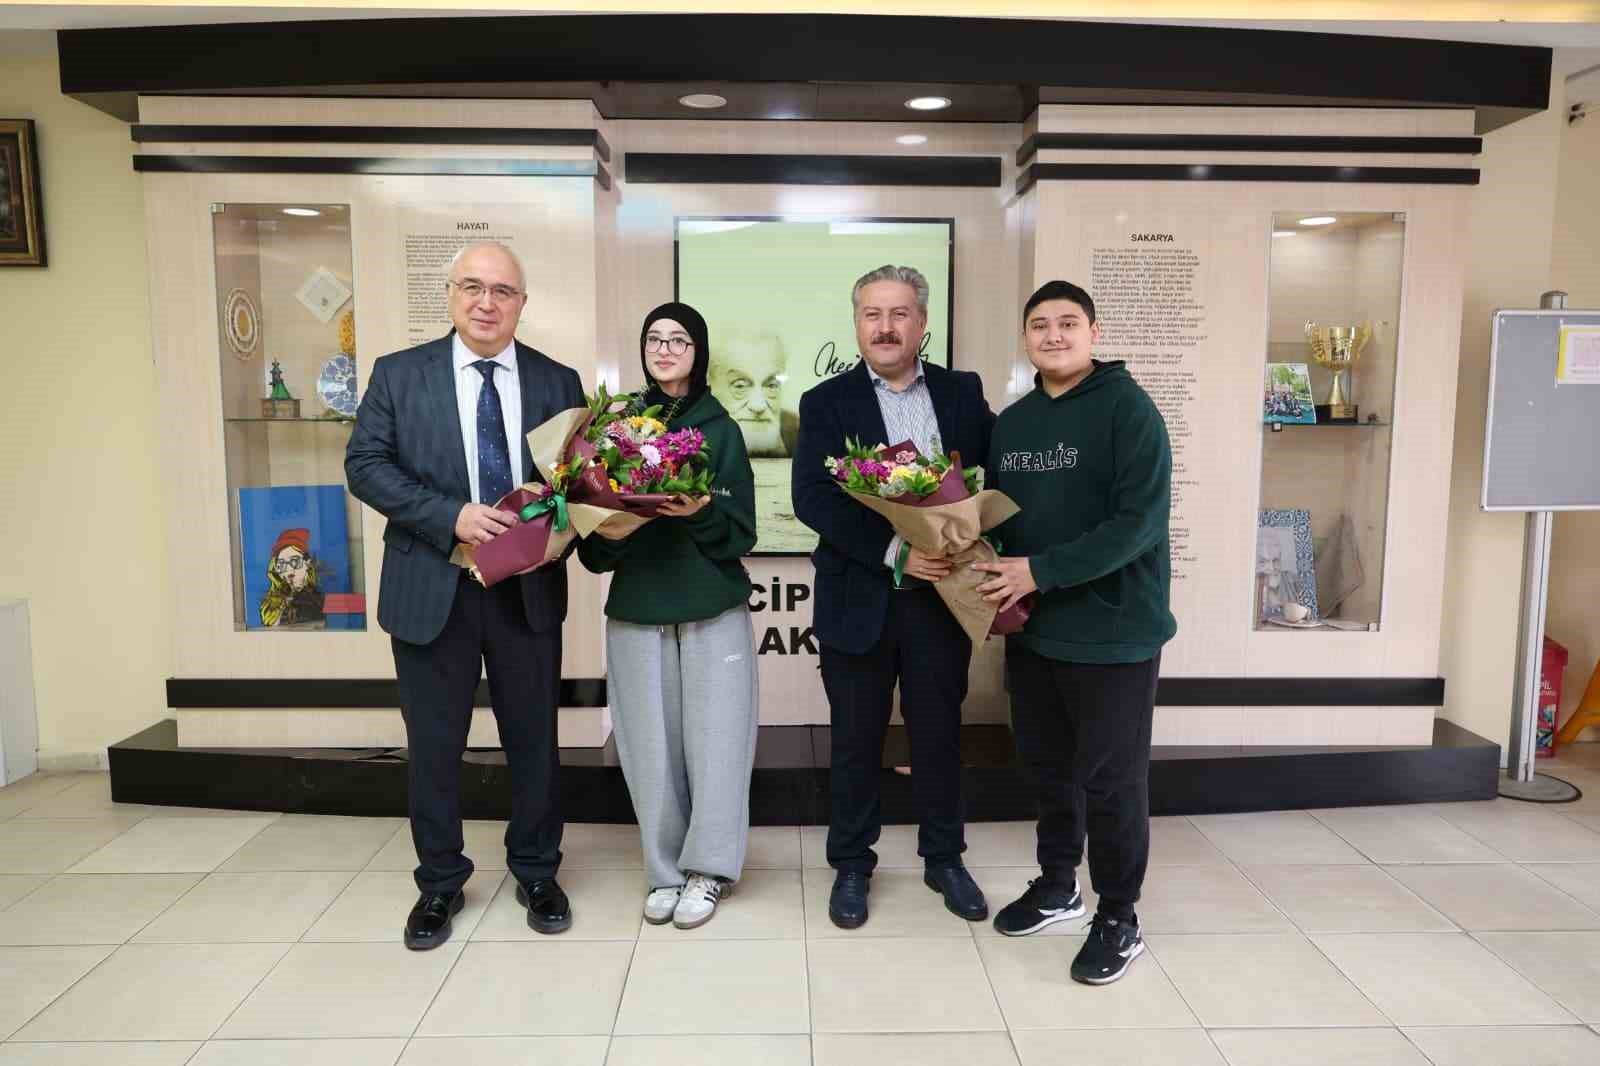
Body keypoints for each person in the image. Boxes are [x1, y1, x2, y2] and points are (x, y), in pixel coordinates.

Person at [345, 240, 584, 950]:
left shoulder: (557, 380)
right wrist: (447, 513)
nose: (487, 303)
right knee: (435, 747)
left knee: (534, 742)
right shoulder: (399, 374)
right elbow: (364, 464)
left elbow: (578, 482)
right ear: (450, 295)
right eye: (473, 287)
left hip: (526, 591)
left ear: (521, 303)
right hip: (431, 587)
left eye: (503, 291)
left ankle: (537, 870)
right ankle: (440, 882)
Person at [973, 280, 1176, 985]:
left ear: (1093, 332)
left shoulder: (1129, 409)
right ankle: (1058, 884)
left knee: (1113, 782)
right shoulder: (1016, 422)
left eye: (1067, 323)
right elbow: (1004, 520)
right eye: (1039, 324)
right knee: (1048, 767)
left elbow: (1138, 523)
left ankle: (1120, 914)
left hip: (1115, 632)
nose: (1053, 335)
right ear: (1026, 337)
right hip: (1035, 631)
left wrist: (1043, 572)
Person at [792, 264, 996, 930]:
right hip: (861, 597)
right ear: (856, 323)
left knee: (939, 735)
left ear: (923, 322)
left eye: (900, 313)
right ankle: (852, 864)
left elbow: (989, 477)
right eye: (872, 313)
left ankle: (945, 857)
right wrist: (896, 549)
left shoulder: (963, 393)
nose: (885, 326)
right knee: (856, 739)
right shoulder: (825, 403)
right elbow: (813, 498)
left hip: (942, 599)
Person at [578, 302, 759, 929]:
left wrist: (698, 512)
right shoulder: (615, 427)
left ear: (698, 351)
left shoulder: (723, 430)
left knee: (717, 742)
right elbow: (593, 547)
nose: (664, 350)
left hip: (711, 608)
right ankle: (664, 869)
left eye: (678, 340)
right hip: (637, 608)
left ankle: (709, 870)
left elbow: (741, 536)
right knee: (648, 748)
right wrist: (620, 521)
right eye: (654, 338)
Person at [708, 330, 799, 457]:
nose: (758, 406)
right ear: (709, 388)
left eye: (771, 385)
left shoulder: (802, 434)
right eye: (740, 386)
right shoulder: (684, 443)